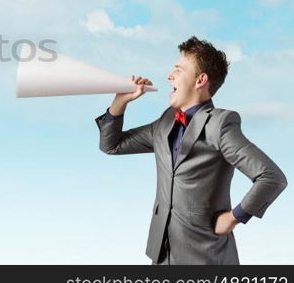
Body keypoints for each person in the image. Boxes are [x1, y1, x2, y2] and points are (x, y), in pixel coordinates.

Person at [95, 36, 287, 264]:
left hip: (205, 256)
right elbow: (112, 145)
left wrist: (236, 216)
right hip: (162, 254)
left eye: (178, 70)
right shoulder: (165, 122)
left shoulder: (220, 124)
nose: (169, 76)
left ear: (200, 80)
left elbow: (271, 177)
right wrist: (121, 102)